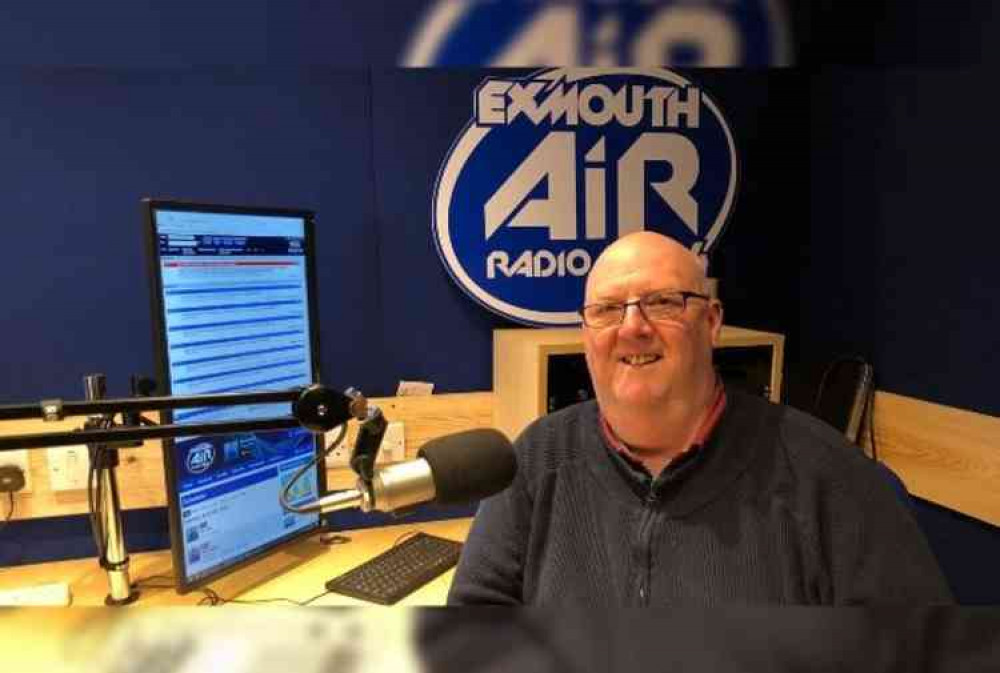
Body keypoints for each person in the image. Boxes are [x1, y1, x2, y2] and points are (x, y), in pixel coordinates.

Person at [447, 231, 952, 605]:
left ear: (711, 323)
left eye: (662, 303)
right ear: (585, 334)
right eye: (606, 310)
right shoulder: (537, 459)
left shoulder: (831, 479)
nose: (632, 327)